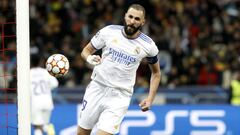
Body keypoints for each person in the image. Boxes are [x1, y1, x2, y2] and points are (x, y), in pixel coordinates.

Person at [77, 4, 161, 135]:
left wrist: (150, 99)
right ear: (125, 16)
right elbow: (86, 51)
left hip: (119, 97)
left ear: (143, 22)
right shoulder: (108, 31)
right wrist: (89, 59)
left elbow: (156, 73)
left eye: (137, 19)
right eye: (130, 17)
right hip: (96, 88)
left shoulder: (148, 45)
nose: (132, 21)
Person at [30, 54, 59, 135]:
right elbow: (55, 84)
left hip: (35, 103)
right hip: (47, 101)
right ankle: (49, 129)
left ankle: (45, 129)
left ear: (30, 62)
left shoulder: (28, 73)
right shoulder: (46, 72)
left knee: (37, 126)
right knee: (45, 124)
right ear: (40, 62)